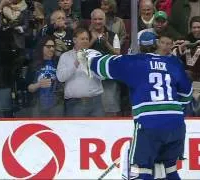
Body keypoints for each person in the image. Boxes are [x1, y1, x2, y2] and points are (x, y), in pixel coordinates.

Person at [78, 31, 192, 179]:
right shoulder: (173, 63)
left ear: (138, 45)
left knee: (141, 171)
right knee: (169, 169)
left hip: (149, 124)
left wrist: (89, 56)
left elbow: (103, 66)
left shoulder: (134, 62)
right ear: (156, 43)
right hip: (177, 124)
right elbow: (186, 94)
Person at [57, 27, 105, 117]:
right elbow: (60, 78)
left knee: (99, 131)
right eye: (82, 39)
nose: (85, 41)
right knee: (75, 131)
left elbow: (103, 77)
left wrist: (91, 65)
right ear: (75, 40)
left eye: (87, 39)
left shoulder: (96, 54)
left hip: (96, 102)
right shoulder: (65, 56)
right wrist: (75, 64)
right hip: (74, 103)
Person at [27, 36, 64, 117]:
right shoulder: (34, 65)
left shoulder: (58, 62)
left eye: (53, 46)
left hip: (56, 104)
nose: (51, 49)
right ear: (41, 47)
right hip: (38, 103)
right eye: (48, 46)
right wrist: (38, 84)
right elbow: (29, 88)